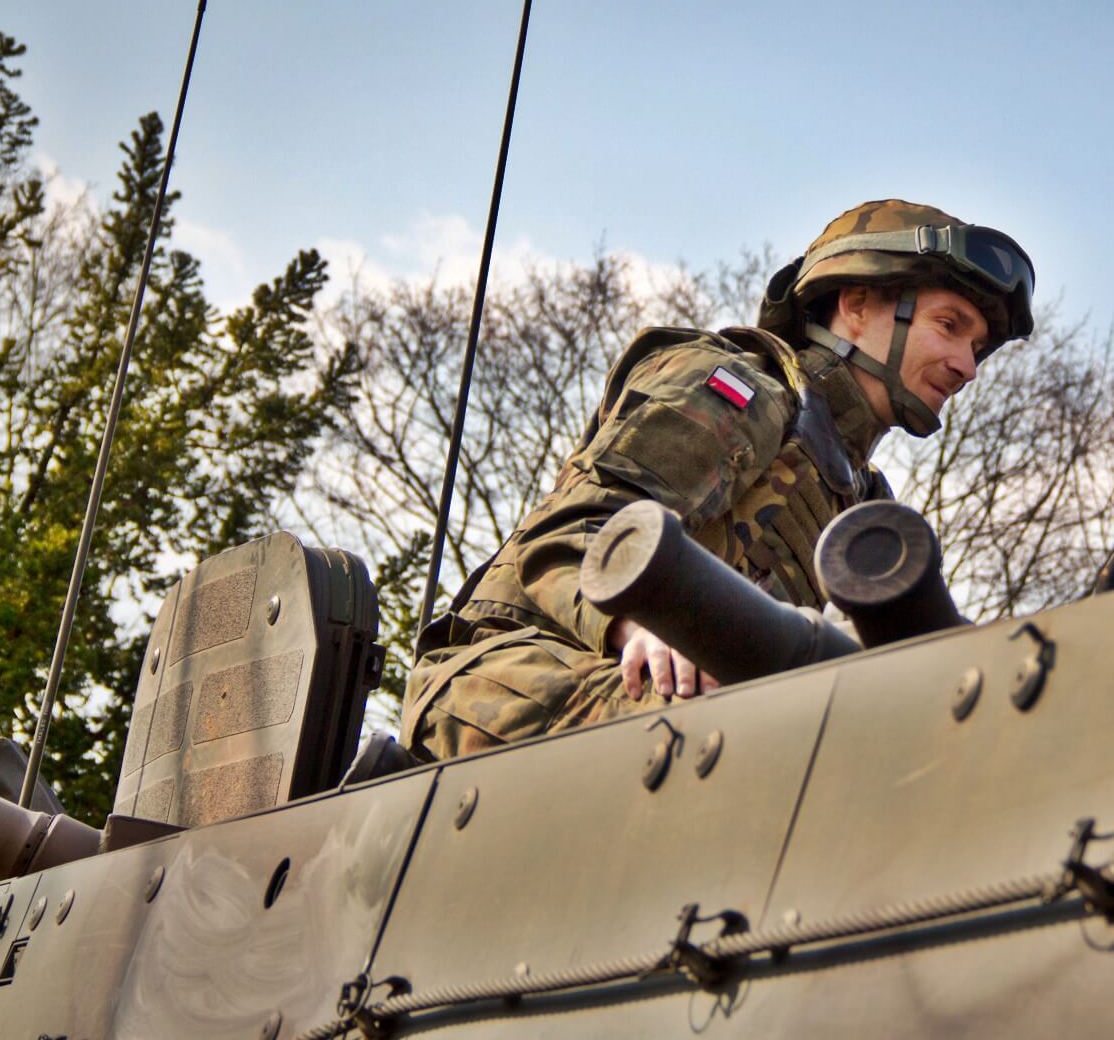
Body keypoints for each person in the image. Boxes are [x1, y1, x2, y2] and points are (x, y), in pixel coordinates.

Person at [400, 199, 1035, 761]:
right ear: (857, 304)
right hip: (509, 671)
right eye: (949, 327)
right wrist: (636, 625)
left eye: (977, 348)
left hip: (692, 697)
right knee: (732, 747)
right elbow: (569, 534)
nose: (965, 366)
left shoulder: (863, 503)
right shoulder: (742, 392)